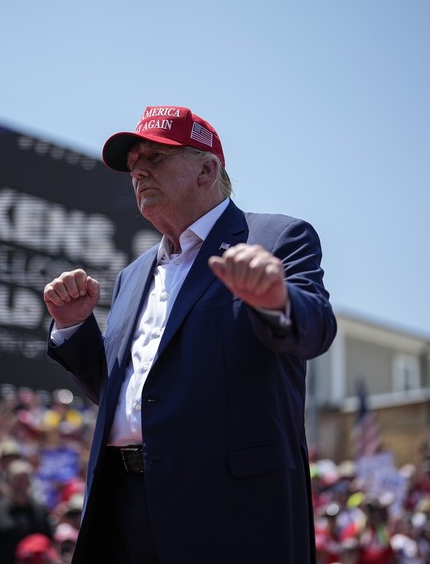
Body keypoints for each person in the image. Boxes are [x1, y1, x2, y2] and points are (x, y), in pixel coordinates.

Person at [43, 105, 337, 562]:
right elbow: (130, 394)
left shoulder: (274, 238)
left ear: (207, 168)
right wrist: (74, 327)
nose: (138, 172)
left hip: (228, 509)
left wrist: (275, 297)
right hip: (123, 508)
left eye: (155, 159)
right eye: (133, 166)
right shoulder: (133, 275)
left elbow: (315, 329)